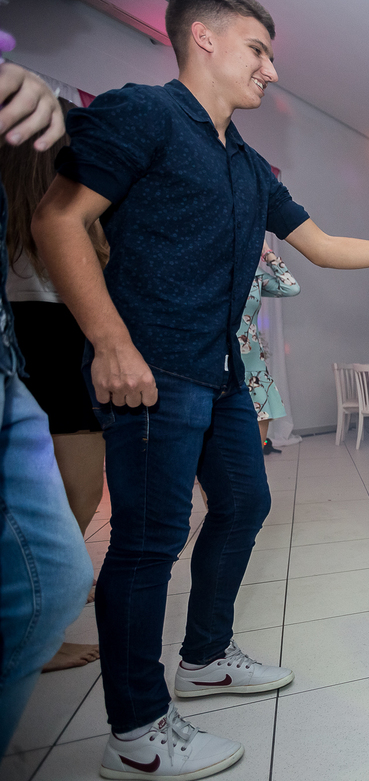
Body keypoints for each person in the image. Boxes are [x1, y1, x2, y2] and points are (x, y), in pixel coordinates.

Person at [30, 0, 369, 778]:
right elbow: (57, 219)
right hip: (152, 367)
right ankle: (137, 732)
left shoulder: (251, 166)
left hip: (220, 371)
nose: (271, 69)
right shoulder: (144, 114)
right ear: (203, 38)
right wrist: (110, 343)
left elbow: (321, 245)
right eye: (258, 50)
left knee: (244, 504)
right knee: (148, 543)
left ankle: (205, 657)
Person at [0, 58, 93, 755]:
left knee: (55, 494)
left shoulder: (17, 219)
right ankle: (44, 622)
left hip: (31, 348)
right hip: (56, 349)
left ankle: (38, 605)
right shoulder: (57, 217)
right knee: (77, 494)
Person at [240, 242, 299, 453]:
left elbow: (291, 287)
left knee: (252, 459)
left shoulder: (254, 275)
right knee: (213, 465)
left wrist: (267, 253)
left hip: (253, 372)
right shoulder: (208, 272)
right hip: (217, 369)